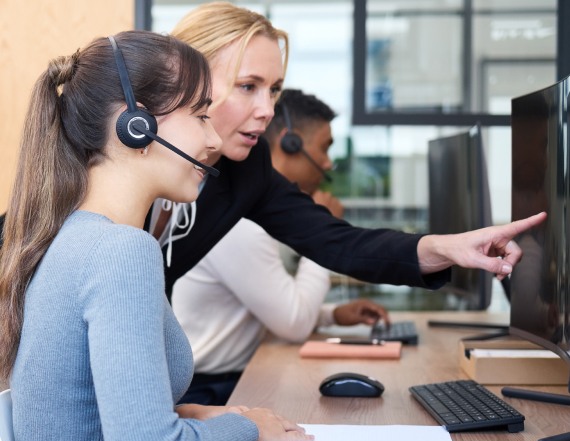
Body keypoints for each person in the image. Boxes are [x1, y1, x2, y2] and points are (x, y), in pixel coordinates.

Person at [0, 31, 312, 441]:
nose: (214, 141)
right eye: (201, 115)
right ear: (136, 125)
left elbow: (85, 416)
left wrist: (187, 416)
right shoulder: (121, 252)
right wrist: (247, 429)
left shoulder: (69, 237)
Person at [147, 0, 544, 305]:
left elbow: (342, 244)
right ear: (189, 81)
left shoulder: (247, 171)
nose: (268, 110)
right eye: (248, 86)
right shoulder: (128, 163)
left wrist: (449, 247)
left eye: (273, 89)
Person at [172, 89, 389, 406]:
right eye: (325, 149)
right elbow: (294, 324)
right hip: (208, 392)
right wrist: (322, 233)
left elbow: (269, 308)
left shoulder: (252, 208)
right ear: (291, 144)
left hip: (229, 378)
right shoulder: (240, 222)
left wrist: (331, 316)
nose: (329, 164)